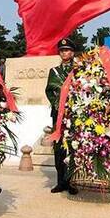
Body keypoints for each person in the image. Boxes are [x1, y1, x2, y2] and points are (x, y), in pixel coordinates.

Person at [44, 38, 78, 195]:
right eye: (62, 50)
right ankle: (61, 181)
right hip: (58, 114)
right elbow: (49, 90)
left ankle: (72, 181)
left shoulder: (78, 69)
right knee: (59, 148)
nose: (65, 53)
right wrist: (57, 104)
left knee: (73, 147)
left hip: (74, 113)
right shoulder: (54, 71)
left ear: (72, 53)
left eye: (68, 50)